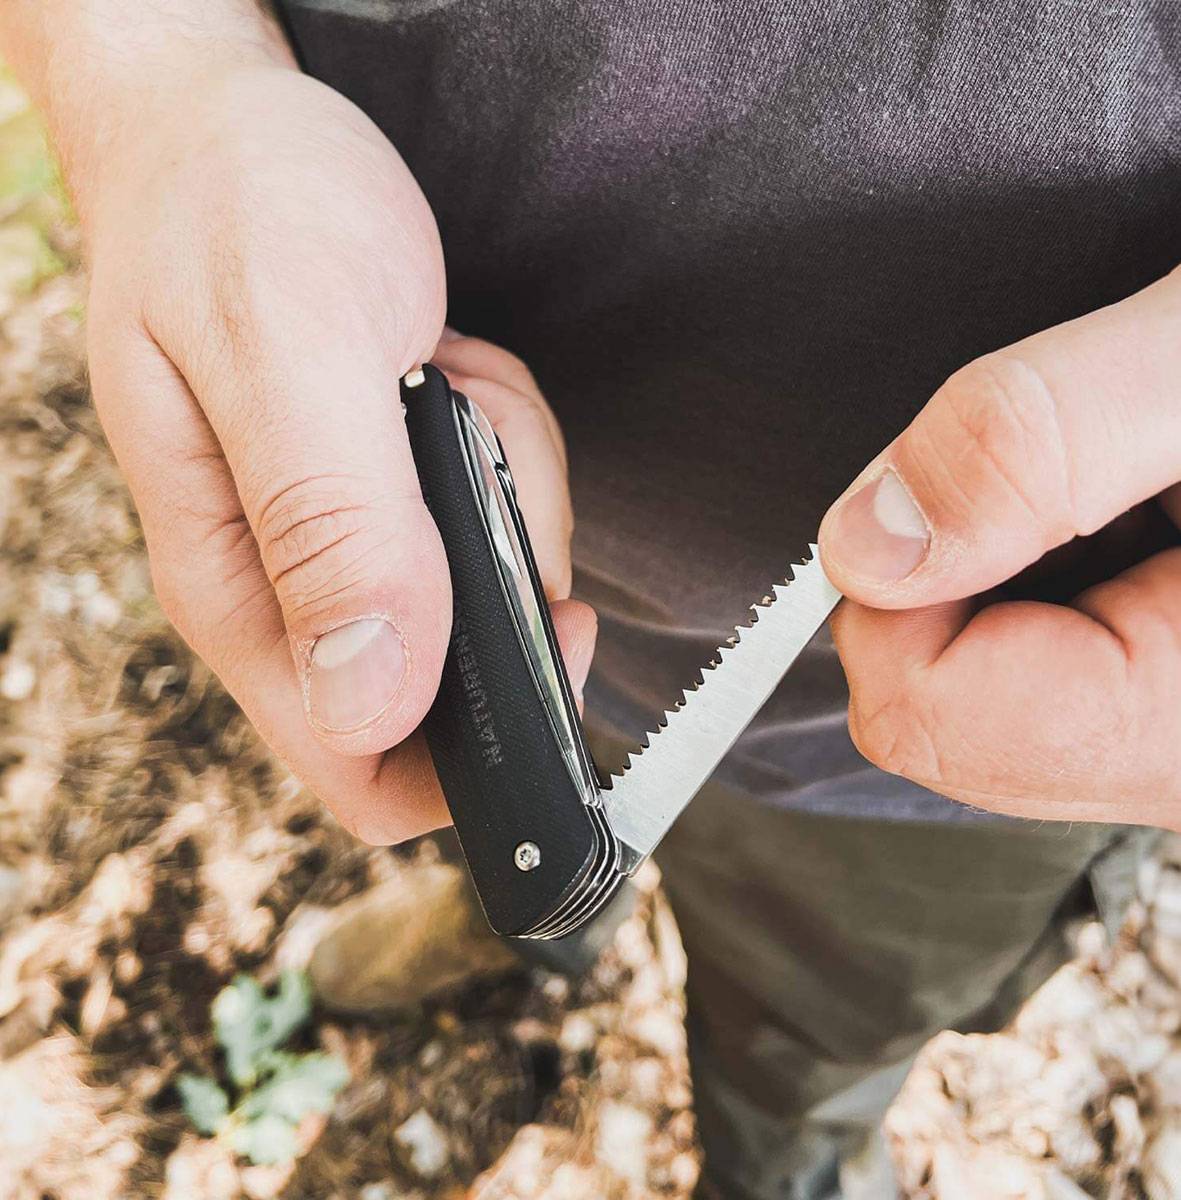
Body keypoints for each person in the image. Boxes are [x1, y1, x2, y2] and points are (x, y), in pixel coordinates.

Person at [3, 3, 1178, 1196]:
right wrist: (160, 82)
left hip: (954, 744)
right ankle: (536, 940)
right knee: (512, 864)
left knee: (803, 1067)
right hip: (477, 597)